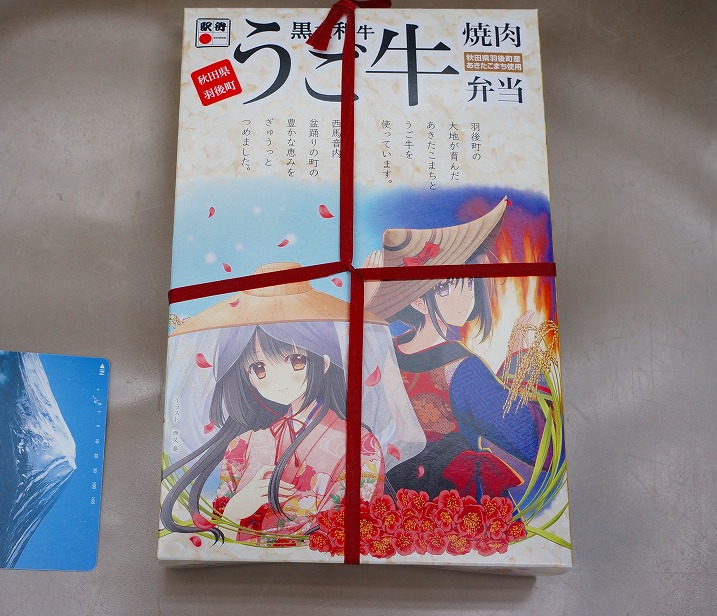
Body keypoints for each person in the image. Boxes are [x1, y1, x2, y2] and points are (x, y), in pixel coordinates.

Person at [161, 264, 387, 546]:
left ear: (324, 362)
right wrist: (236, 510)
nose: (278, 380)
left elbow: (356, 534)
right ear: (247, 376)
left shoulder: (360, 445)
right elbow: (219, 545)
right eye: (259, 368)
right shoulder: (241, 445)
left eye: (295, 360)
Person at [364, 198, 547, 500]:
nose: (466, 295)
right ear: (418, 301)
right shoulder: (462, 370)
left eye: (468, 282)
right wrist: (522, 360)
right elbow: (527, 439)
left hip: (391, 498)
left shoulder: (385, 354)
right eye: (445, 287)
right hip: (447, 502)